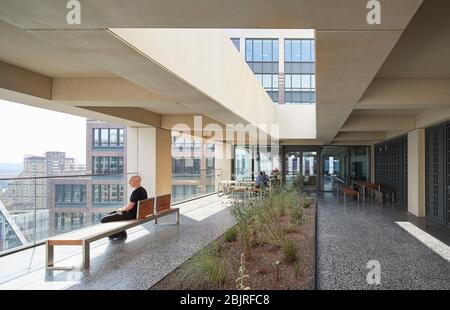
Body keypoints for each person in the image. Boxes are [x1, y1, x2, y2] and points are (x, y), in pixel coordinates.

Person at [101, 175, 147, 240]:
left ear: (135, 181)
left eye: (130, 181)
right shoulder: (143, 190)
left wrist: (121, 209)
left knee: (103, 219)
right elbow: (131, 205)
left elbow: (130, 206)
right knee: (113, 213)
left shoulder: (136, 192)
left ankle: (117, 235)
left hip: (132, 215)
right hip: (137, 213)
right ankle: (121, 233)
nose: (129, 182)